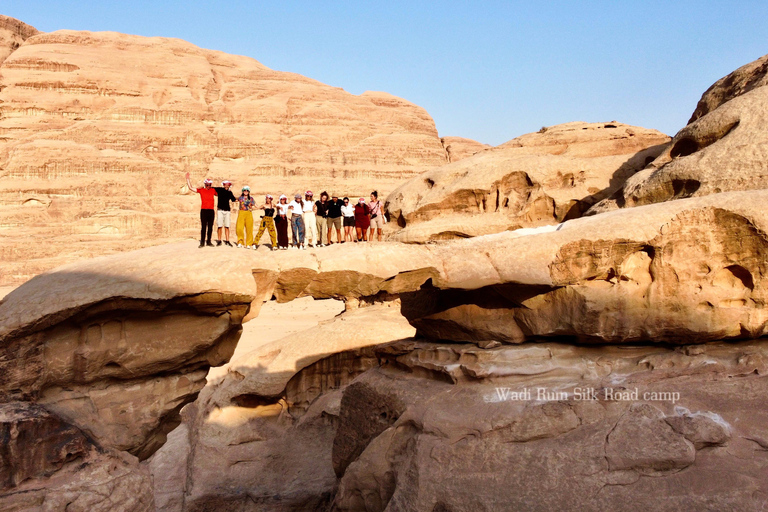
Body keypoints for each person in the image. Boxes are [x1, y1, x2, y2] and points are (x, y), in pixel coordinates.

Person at [186, 172, 217, 248]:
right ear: (205, 184)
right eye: (207, 185)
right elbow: (191, 188)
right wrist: (187, 179)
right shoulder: (201, 190)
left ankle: (209, 241)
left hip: (211, 210)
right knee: (203, 227)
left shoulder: (213, 190)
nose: (208, 186)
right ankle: (202, 242)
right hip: (204, 210)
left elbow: (221, 193)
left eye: (210, 185)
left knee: (210, 227)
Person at [213, 180, 237, 246]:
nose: (226, 186)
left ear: (229, 186)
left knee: (227, 226)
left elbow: (234, 199)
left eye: (228, 185)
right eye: (225, 184)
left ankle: (227, 240)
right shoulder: (220, 190)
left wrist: (243, 198)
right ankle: (219, 240)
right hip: (220, 210)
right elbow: (211, 188)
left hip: (227, 211)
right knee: (219, 226)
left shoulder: (230, 193)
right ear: (223, 185)